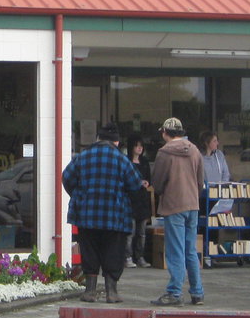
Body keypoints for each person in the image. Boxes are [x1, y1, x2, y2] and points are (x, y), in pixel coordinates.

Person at [63, 122, 144, 303]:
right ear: (116, 142)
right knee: (113, 252)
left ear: (98, 139)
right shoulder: (122, 160)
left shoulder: (82, 157)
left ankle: (90, 291)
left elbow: (66, 178)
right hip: (115, 216)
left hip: (87, 215)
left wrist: (79, 195)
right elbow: (135, 185)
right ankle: (111, 292)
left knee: (89, 250)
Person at [149, 117, 204, 307]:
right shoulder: (195, 150)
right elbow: (200, 181)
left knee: (175, 251)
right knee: (190, 249)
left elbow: (157, 183)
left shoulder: (164, 153)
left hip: (174, 206)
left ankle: (174, 292)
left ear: (165, 132)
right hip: (192, 205)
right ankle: (197, 292)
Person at [125, 135, 153, 268]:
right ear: (132, 147)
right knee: (131, 232)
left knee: (142, 232)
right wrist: (138, 182)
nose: (139, 148)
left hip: (142, 200)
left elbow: (149, 178)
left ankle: (140, 256)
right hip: (131, 200)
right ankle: (127, 256)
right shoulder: (127, 162)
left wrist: (147, 182)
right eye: (137, 145)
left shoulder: (145, 162)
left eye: (141, 146)